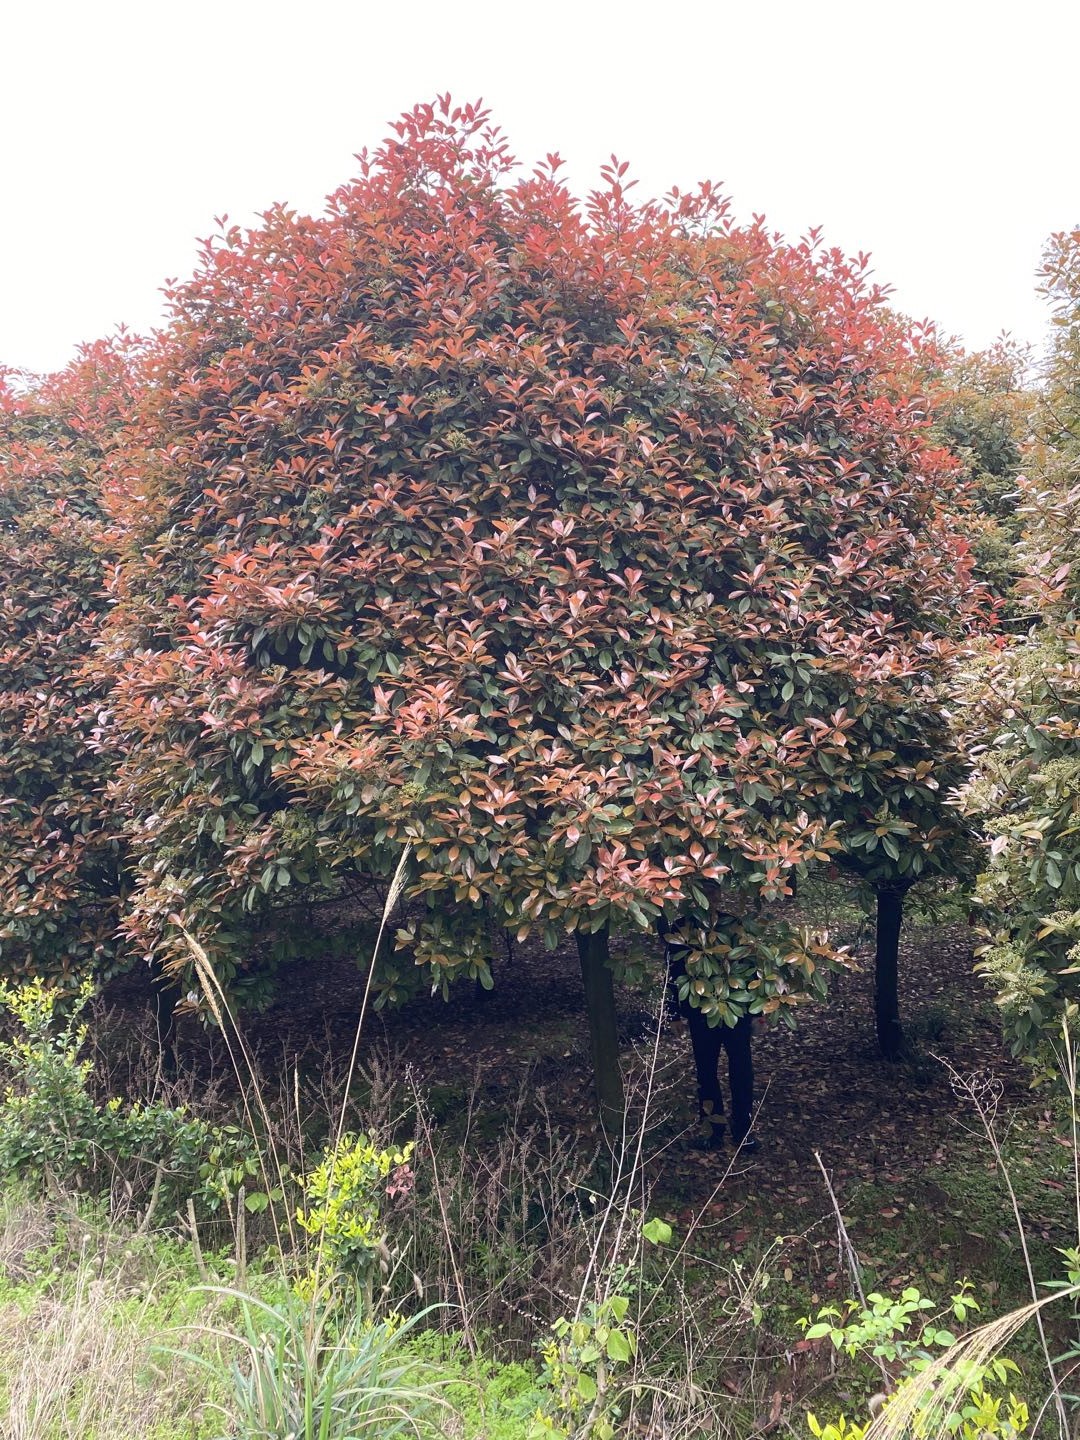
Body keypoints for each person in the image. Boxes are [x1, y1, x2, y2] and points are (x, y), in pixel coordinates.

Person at [662, 925, 759, 1153]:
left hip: (737, 1011)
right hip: (701, 1013)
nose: (712, 896)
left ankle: (743, 1130)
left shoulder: (731, 925)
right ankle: (713, 1131)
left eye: (715, 890)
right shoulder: (681, 929)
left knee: (742, 1071)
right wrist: (674, 1013)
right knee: (705, 1073)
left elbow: (750, 967)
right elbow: (672, 973)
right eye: (705, 889)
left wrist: (757, 1013)